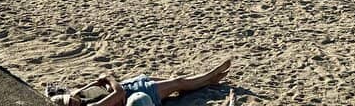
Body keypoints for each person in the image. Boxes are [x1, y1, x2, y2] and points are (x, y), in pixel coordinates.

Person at [48, 59, 231, 106]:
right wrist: (110, 79)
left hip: (131, 84)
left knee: (178, 83)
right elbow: (118, 94)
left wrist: (99, 82)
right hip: (136, 93)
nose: (72, 100)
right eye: (70, 103)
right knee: (178, 82)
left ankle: (208, 81)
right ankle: (211, 75)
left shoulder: (79, 95)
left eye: (69, 98)